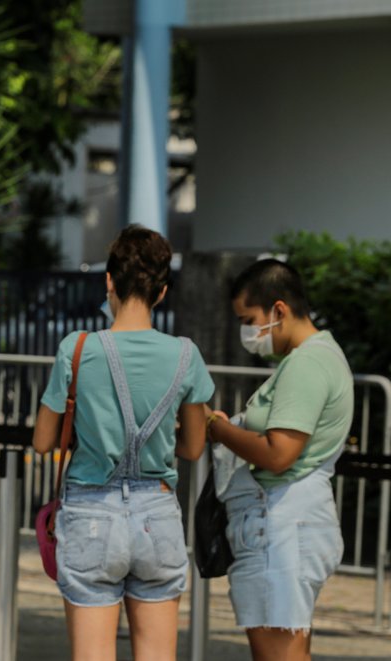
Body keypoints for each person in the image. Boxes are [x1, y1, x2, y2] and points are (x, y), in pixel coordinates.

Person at [32, 226, 214, 661]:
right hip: (158, 516)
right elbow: (192, 448)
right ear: (163, 291)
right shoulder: (187, 356)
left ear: (109, 281)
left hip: (92, 514)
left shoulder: (76, 350)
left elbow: (42, 441)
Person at [205, 259, 354, 661]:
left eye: (249, 319)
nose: (247, 331)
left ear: (279, 310)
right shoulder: (314, 357)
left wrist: (220, 432)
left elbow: (279, 454)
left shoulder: (306, 364)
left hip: (281, 527)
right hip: (287, 524)